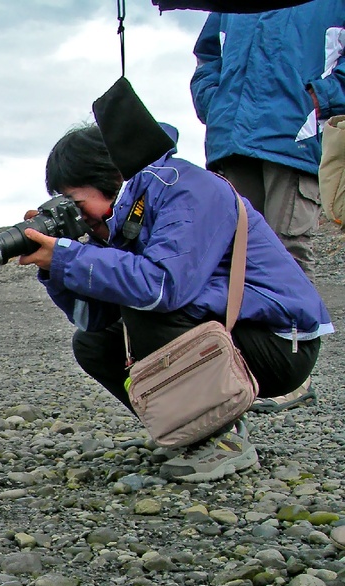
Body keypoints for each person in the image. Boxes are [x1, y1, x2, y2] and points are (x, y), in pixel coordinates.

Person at [20, 124, 333, 483]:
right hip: (231, 334)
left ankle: (223, 439)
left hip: (281, 343)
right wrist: (57, 267)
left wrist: (68, 258)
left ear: (114, 176)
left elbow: (163, 285)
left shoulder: (186, 188)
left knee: (147, 304)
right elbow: (95, 318)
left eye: (75, 203)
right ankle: (189, 429)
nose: (79, 215)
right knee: (93, 342)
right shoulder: (121, 217)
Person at [190, 2, 345, 409]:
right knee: (227, 258)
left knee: (288, 252)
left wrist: (319, 98)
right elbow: (208, 54)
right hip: (231, 140)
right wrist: (214, 101)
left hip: (294, 139)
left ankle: (295, 375)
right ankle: (239, 369)